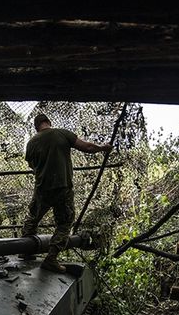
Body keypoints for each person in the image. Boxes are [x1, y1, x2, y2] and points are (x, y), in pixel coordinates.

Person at [22, 113, 112, 273]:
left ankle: (26, 251)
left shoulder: (31, 143)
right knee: (64, 223)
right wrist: (103, 148)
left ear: (36, 127)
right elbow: (87, 147)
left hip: (42, 188)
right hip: (62, 187)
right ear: (48, 122)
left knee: (32, 219)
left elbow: (31, 165)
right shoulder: (61, 133)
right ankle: (51, 258)